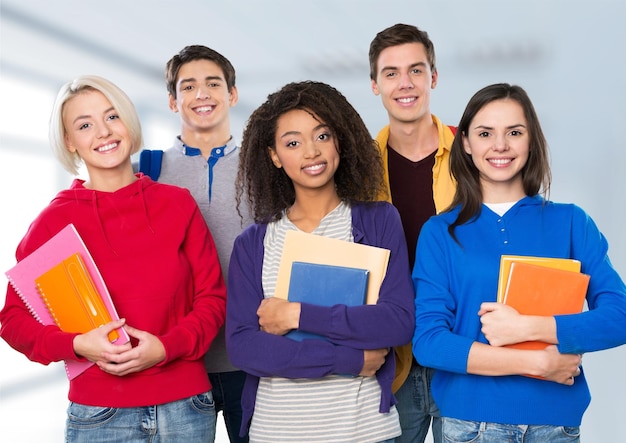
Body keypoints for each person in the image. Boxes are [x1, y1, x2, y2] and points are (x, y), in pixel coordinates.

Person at [0, 75, 227, 442]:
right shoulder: (55, 221)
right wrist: (76, 345)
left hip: (186, 407)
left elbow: (213, 299)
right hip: (101, 415)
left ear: (127, 122)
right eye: (85, 125)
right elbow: (12, 320)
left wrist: (168, 347)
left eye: (112, 117)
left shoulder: (177, 203)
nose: (103, 132)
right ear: (71, 142)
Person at [412, 82, 626, 442]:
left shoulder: (571, 222)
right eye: (485, 133)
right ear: (465, 142)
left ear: (531, 140)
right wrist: (536, 363)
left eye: (514, 132)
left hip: (556, 425)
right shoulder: (440, 232)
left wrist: (530, 328)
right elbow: (430, 341)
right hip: (471, 426)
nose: (500, 145)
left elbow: (620, 315)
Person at [226, 81, 415, 443]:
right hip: (276, 432)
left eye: (323, 136)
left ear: (340, 141)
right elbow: (245, 347)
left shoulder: (378, 221)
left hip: (366, 433)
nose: (311, 152)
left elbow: (397, 322)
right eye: (293, 142)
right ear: (275, 156)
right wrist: (349, 361)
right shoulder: (253, 243)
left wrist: (296, 315)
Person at [137, 44, 251, 443]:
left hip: (251, 360)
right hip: (178, 363)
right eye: (188, 86)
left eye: (213, 83)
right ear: (172, 101)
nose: (201, 94)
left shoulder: (265, 167)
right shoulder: (146, 171)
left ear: (232, 94)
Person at [368, 23, 455, 443]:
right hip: (392, 360)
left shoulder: (475, 153)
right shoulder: (358, 169)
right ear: (375, 85)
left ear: (433, 78)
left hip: (462, 352)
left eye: (416, 70)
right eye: (391, 73)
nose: (405, 83)